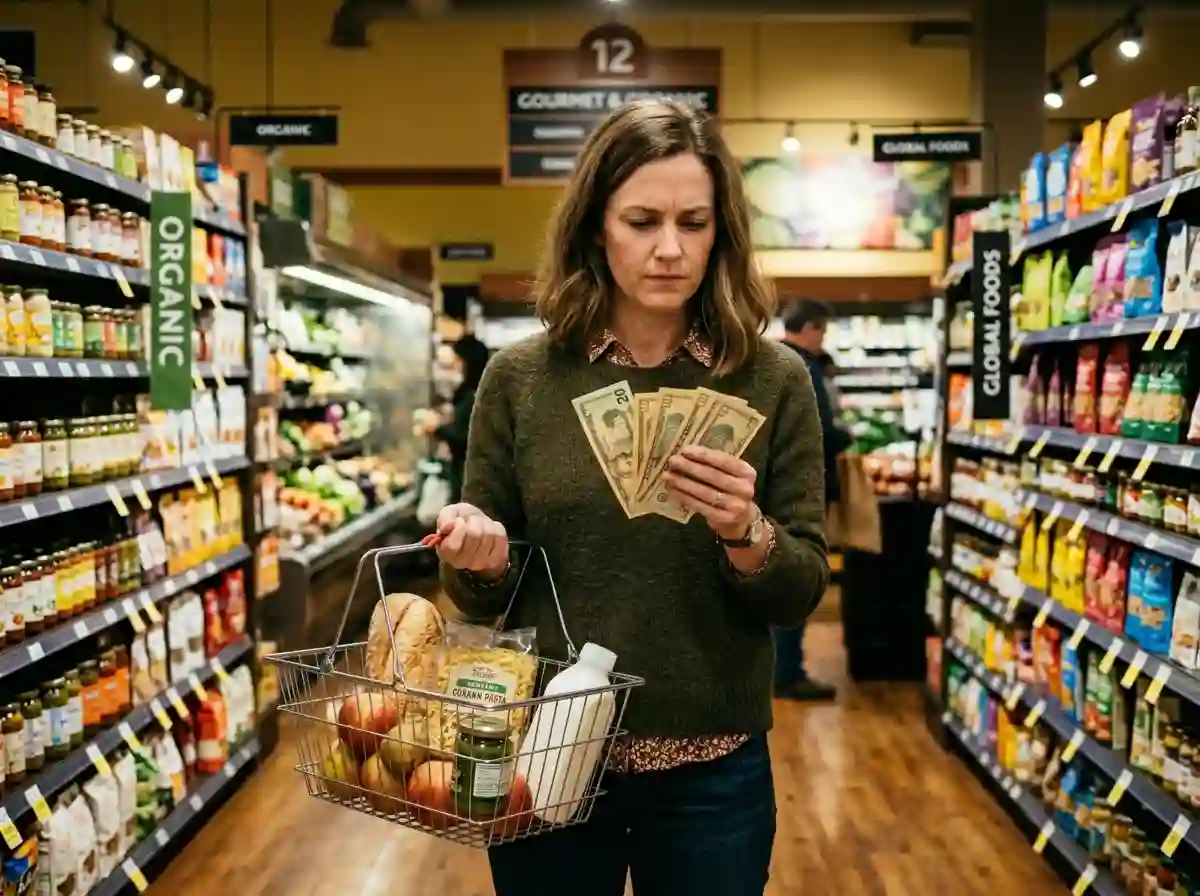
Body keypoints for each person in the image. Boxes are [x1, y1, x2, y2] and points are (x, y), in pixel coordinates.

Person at [432, 100, 829, 896]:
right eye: (642, 220)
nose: (670, 249)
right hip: (547, 756)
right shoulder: (520, 379)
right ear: (594, 227)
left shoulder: (774, 379)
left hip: (713, 770)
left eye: (694, 221)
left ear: (724, 232)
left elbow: (799, 591)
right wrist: (478, 556)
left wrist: (748, 533)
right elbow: (480, 593)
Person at [774, 299, 853, 702]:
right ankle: (787, 673)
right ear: (810, 327)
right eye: (822, 330)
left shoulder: (772, 362)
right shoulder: (803, 368)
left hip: (773, 492)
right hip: (802, 492)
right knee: (798, 577)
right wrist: (847, 436)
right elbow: (820, 433)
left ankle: (780, 670)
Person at [427, 333, 491, 504]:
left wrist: (438, 429)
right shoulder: (478, 390)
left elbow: (465, 437)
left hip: (467, 476)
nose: (454, 364)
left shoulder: (473, 395)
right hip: (466, 473)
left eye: (457, 359)